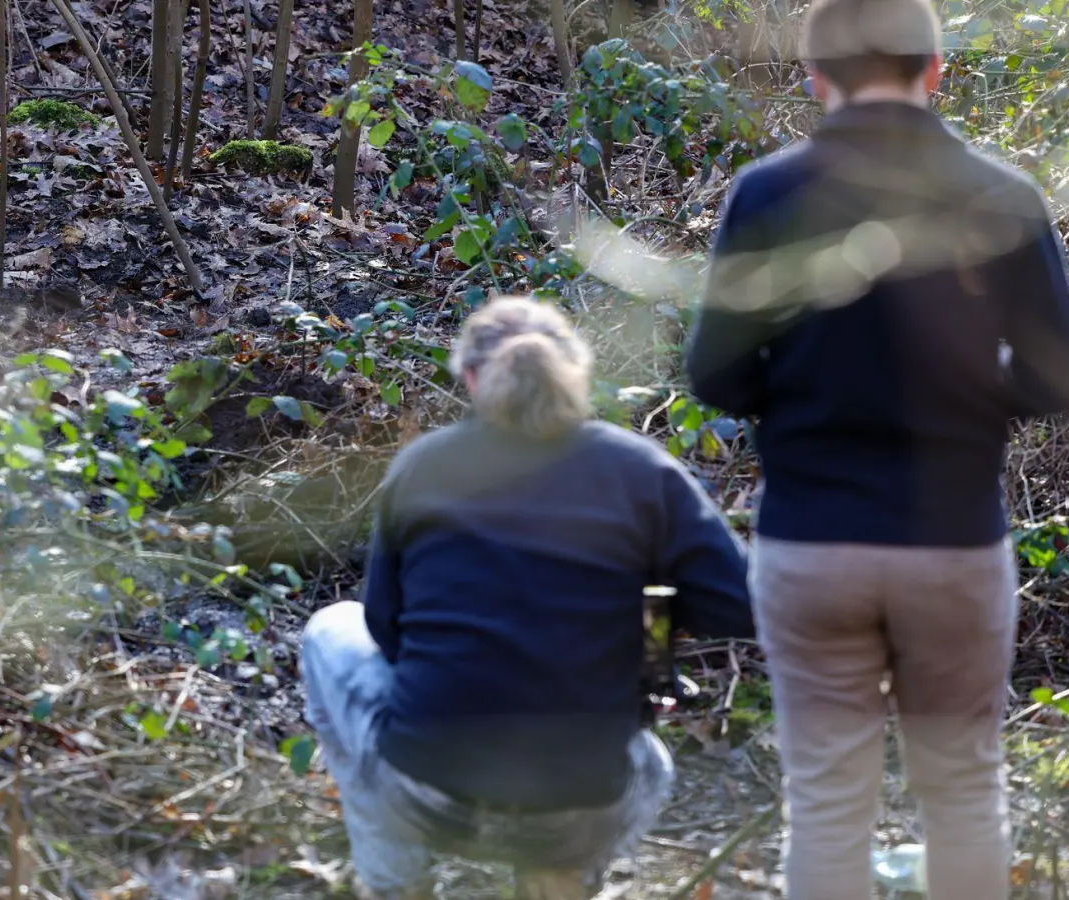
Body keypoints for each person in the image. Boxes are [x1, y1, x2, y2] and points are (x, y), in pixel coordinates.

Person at [684, 0, 1069, 898]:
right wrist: (975, 398)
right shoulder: (1002, 195)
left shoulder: (767, 194)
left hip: (812, 542)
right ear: (934, 69)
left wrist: (803, 400)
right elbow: (1061, 380)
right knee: (964, 794)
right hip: (952, 541)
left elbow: (714, 373)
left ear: (816, 78)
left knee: (827, 805)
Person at [300, 295, 756, 900]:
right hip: (581, 807)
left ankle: (397, 884)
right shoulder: (642, 471)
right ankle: (558, 878)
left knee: (331, 628)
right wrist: (651, 610)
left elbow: (385, 629)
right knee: (650, 762)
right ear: (576, 374)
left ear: (470, 378)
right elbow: (743, 606)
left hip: (426, 791)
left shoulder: (424, 467)